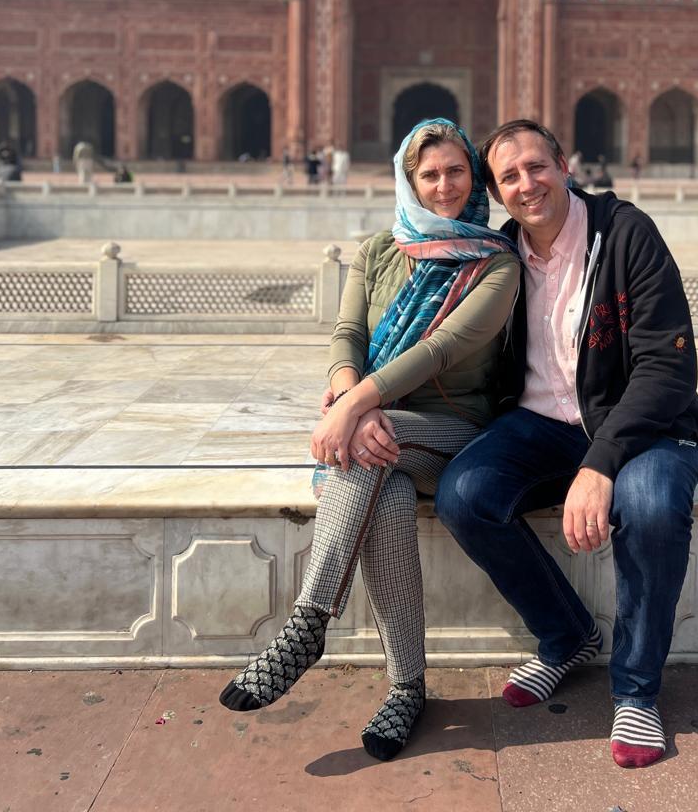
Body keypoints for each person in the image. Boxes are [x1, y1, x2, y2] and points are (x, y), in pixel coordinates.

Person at [219, 118, 519, 762]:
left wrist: (351, 407)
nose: (444, 187)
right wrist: (349, 388)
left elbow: (443, 349)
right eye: (429, 174)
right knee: (381, 492)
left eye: (456, 172)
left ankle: (306, 623)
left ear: (474, 177)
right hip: (383, 430)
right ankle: (407, 686)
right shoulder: (382, 250)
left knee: (357, 449)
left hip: (456, 431)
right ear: (409, 180)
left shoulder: (497, 263)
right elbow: (346, 335)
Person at [435, 120, 698, 771]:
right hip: (541, 427)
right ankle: (566, 635)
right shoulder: (502, 254)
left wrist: (600, 463)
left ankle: (638, 689)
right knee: (465, 495)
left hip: (646, 425)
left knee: (647, 509)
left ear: (564, 163)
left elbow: (666, 369)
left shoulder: (624, 233)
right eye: (510, 176)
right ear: (497, 191)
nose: (527, 184)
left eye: (537, 166)